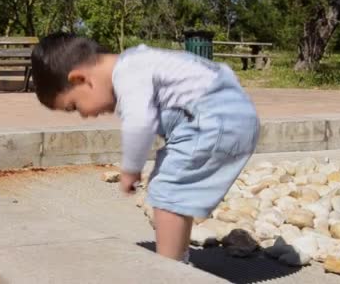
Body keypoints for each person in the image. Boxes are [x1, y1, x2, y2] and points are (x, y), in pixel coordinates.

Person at [30, 33, 260, 263]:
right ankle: (179, 258)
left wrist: (131, 168)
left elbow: (140, 123)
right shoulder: (138, 59)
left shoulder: (128, 72)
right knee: (173, 191)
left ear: (81, 79)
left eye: (74, 106)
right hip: (227, 115)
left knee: (166, 191)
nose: (84, 115)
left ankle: (169, 272)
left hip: (215, 119)